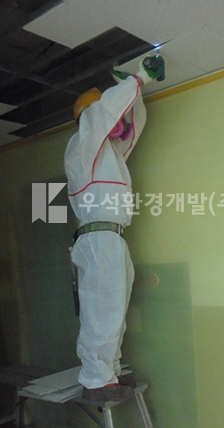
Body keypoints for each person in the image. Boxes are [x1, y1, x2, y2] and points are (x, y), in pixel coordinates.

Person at [64, 55, 165, 401]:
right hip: (98, 238)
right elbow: (101, 115)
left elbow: (134, 127)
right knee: (102, 311)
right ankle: (95, 379)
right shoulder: (81, 145)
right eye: (108, 114)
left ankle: (110, 372)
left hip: (111, 238)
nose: (117, 123)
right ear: (88, 117)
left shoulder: (108, 154)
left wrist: (132, 94)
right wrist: (138, 79)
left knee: (114, 310)